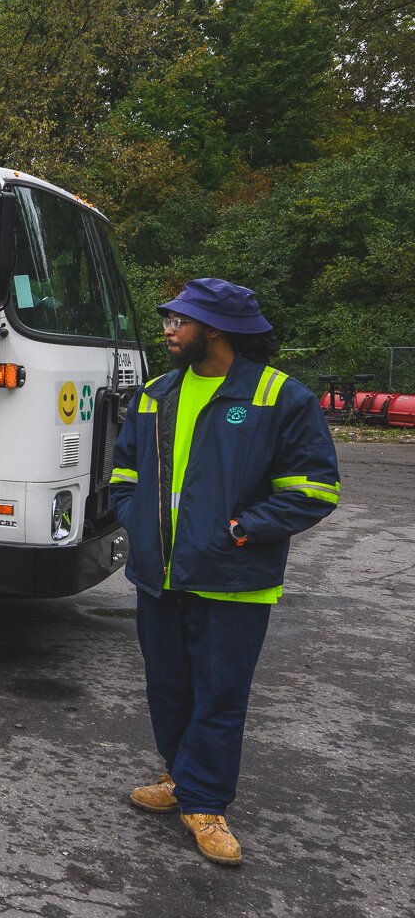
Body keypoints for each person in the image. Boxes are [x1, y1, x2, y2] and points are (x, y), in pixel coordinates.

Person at [109, 277, 339, 866]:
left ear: (215, 329)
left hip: (234, 579)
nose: (168, 330)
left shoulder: (281, 397)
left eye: (179, 321)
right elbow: (124, 471)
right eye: (167, 319)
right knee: (167, 686)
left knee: (220, 695)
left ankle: (206, 803)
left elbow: (314, 489)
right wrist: (135, 520)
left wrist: (241, 529)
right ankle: (180, 778)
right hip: (157, 575)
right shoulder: (156, 393)